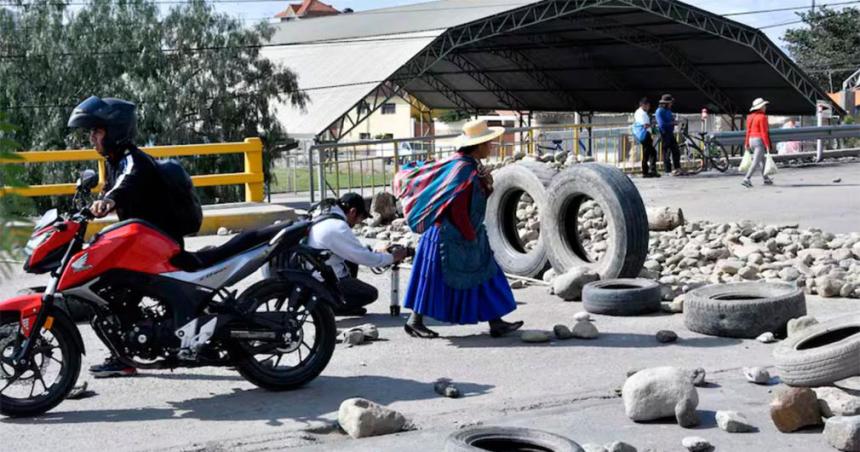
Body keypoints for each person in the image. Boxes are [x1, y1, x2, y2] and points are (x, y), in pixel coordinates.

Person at [67, 96, 177, 378]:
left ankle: (126, 357)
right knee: (105, 293)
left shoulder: (133, 160)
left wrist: (108, 201)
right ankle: (126, 353)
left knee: (108, 291)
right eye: (91, 132)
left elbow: (126, 184)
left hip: (157, 246)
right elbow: (114, 187)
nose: (92, 137)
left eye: (97, 131)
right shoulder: (114, 161)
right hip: (141, 244)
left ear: (114, 131)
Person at [395, 119, 524, 339]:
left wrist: (486, 185)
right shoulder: (463, 170)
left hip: (459, 232)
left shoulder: (467, 166)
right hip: (449, 235)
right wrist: (470, 235)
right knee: (434, 278)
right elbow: (457, 208)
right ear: (478, 145)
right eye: (488, 143)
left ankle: (496, 322)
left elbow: (473, 198)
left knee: (486, 273)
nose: (491, 147)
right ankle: (414, 321)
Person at [306, 193, 409, 316]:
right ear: (353, 212)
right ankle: (331, 308)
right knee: (369, 294)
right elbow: (363, 257)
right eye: (360, 218)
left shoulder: (323, 215)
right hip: (320, 281)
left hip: (311, 274)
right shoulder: (338, 227)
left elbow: (352, 250)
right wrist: (393, 257)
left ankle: (336, 304)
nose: (357, 223)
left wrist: (377, 252)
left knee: (352, 262)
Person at [742, 98, 774, 188]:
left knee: (762, 160)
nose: (765, 107)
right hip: (759, 141)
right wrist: (767, 145)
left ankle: (766, 178)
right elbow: (764, 132)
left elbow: (748, 131)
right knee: (756, 161)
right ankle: (746, 178)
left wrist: (746, 143)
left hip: (751, 140)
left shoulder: (749, 117)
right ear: (761, 107)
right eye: (764, 106)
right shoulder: (762, 117)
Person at [633, 97, 660, 178]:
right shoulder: (642, 113)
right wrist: (653, 125)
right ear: (643, 105)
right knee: (648, 154)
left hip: (644, 135)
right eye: (648, 105)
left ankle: (651, 171)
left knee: (651, 153)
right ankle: (646, 172)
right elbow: (645, 125)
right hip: (645, 135)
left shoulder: (638, 112)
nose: (649, 107)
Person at [655, 94, 682, 175]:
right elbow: (661, 124)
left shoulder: (668, 110)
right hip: (664, 133)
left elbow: (671, 119)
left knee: (676, 150)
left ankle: (677, 168)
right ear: (666, 103)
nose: (671, 104)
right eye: (670, 103)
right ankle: (668, 170)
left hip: (670, 133)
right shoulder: (659, 111)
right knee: (666, 153)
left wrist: (674, 122)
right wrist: (672, 123)